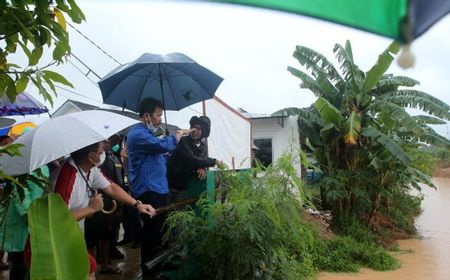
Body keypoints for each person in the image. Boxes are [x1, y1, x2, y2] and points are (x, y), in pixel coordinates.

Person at [51, 141, 156, 279]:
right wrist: (90, 209)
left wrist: (137, 205)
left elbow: (111, 187)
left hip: (74, 236)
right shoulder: (67, 178)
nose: (104, 153)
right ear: (91, 156)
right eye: (101, 150)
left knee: (89, 271)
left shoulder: (90, 169)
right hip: (56, 242)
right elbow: (56, 221)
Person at [127, 97, 184, 278]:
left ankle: (158, 266)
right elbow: (161, 146)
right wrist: (174, 138)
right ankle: (149, 272)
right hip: (148, 189)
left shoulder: (149, 134)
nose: (160, 119)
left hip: (159, 188)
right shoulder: (137, 134)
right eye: (158, 115)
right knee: (152, 232)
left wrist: (169, 148)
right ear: (146, 116)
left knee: (160, 230)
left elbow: (161, 154)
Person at [84, 136, 124, 275]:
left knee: (107, 235)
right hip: (95, 202)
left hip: (110, 202)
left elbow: (113, 184)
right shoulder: (94, 163)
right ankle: (90, 269)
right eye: (103, 142)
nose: (107, 144)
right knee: (91, 238)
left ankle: (104, 265)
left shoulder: (112, 157)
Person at [167, 116, 220, 202]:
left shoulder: (203, 146)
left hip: (184, 186)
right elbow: (191, 159)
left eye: (198, 129)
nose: (195, 131)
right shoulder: (184, 141)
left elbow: (203, 159)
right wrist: (214, 161)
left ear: (204, 132)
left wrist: (203, 168)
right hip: (170, 185)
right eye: (193, 128)